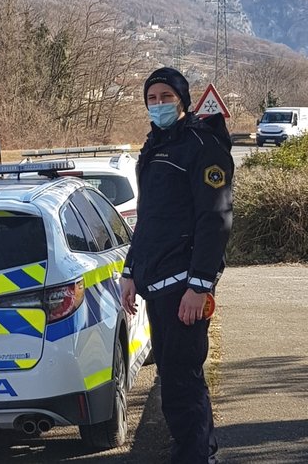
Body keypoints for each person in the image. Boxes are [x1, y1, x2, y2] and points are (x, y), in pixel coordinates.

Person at [120, 67, 233, 464]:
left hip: (185, 287)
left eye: (167, 97)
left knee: (183, 386)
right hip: (157, 286)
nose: (159, 104)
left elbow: (215, 220)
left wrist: (200, 286)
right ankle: (200, 451)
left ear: (183, 100)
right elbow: (148, 220)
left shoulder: (202, 146)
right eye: (152, 98)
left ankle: (195, 457)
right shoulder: (156, 145)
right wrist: (130, 272)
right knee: (174, 382)